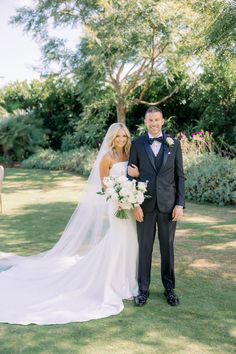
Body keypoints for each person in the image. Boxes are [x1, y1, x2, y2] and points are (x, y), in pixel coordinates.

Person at [0, 123, 139, 325]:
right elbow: (104, 185)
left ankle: (128, 281)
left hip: (131, 204)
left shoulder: (130, 155)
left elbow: (137, 177)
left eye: (124, 136)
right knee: (118, 241)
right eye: (118, 136)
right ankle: (113, 284)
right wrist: (121, 195)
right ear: (112, 138)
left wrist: (132, 191)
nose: (121, 139)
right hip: (116, 205)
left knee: (130, 242)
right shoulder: (107, 158)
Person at [128, 107, 185, 307]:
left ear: (163, 121)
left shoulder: (174, 144)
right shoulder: (137, 144)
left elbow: (179, 176)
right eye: (150, 120)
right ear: (145, 122)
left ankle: (169, 289)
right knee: (144, 249)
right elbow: (130, 176)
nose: (154, 123)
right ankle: (143, 290)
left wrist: (180, 204)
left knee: (167, 248)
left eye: (157, 120)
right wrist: (134, 204)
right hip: (144, 205)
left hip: (169, 206)